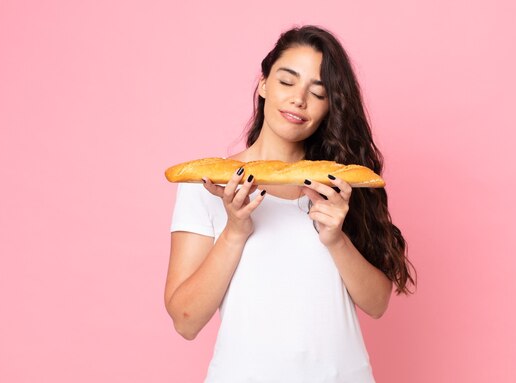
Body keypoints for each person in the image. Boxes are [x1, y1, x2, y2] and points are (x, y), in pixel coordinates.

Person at [164, 25, 417, 382]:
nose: (299, 99)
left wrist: (336, 238)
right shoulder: (205, 186)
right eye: (287, 82)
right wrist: (235, 232)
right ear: (264, 83)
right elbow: (185, 320)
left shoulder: (339, 184)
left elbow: (377, 304)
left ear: (331, 107)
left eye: (318, 92)